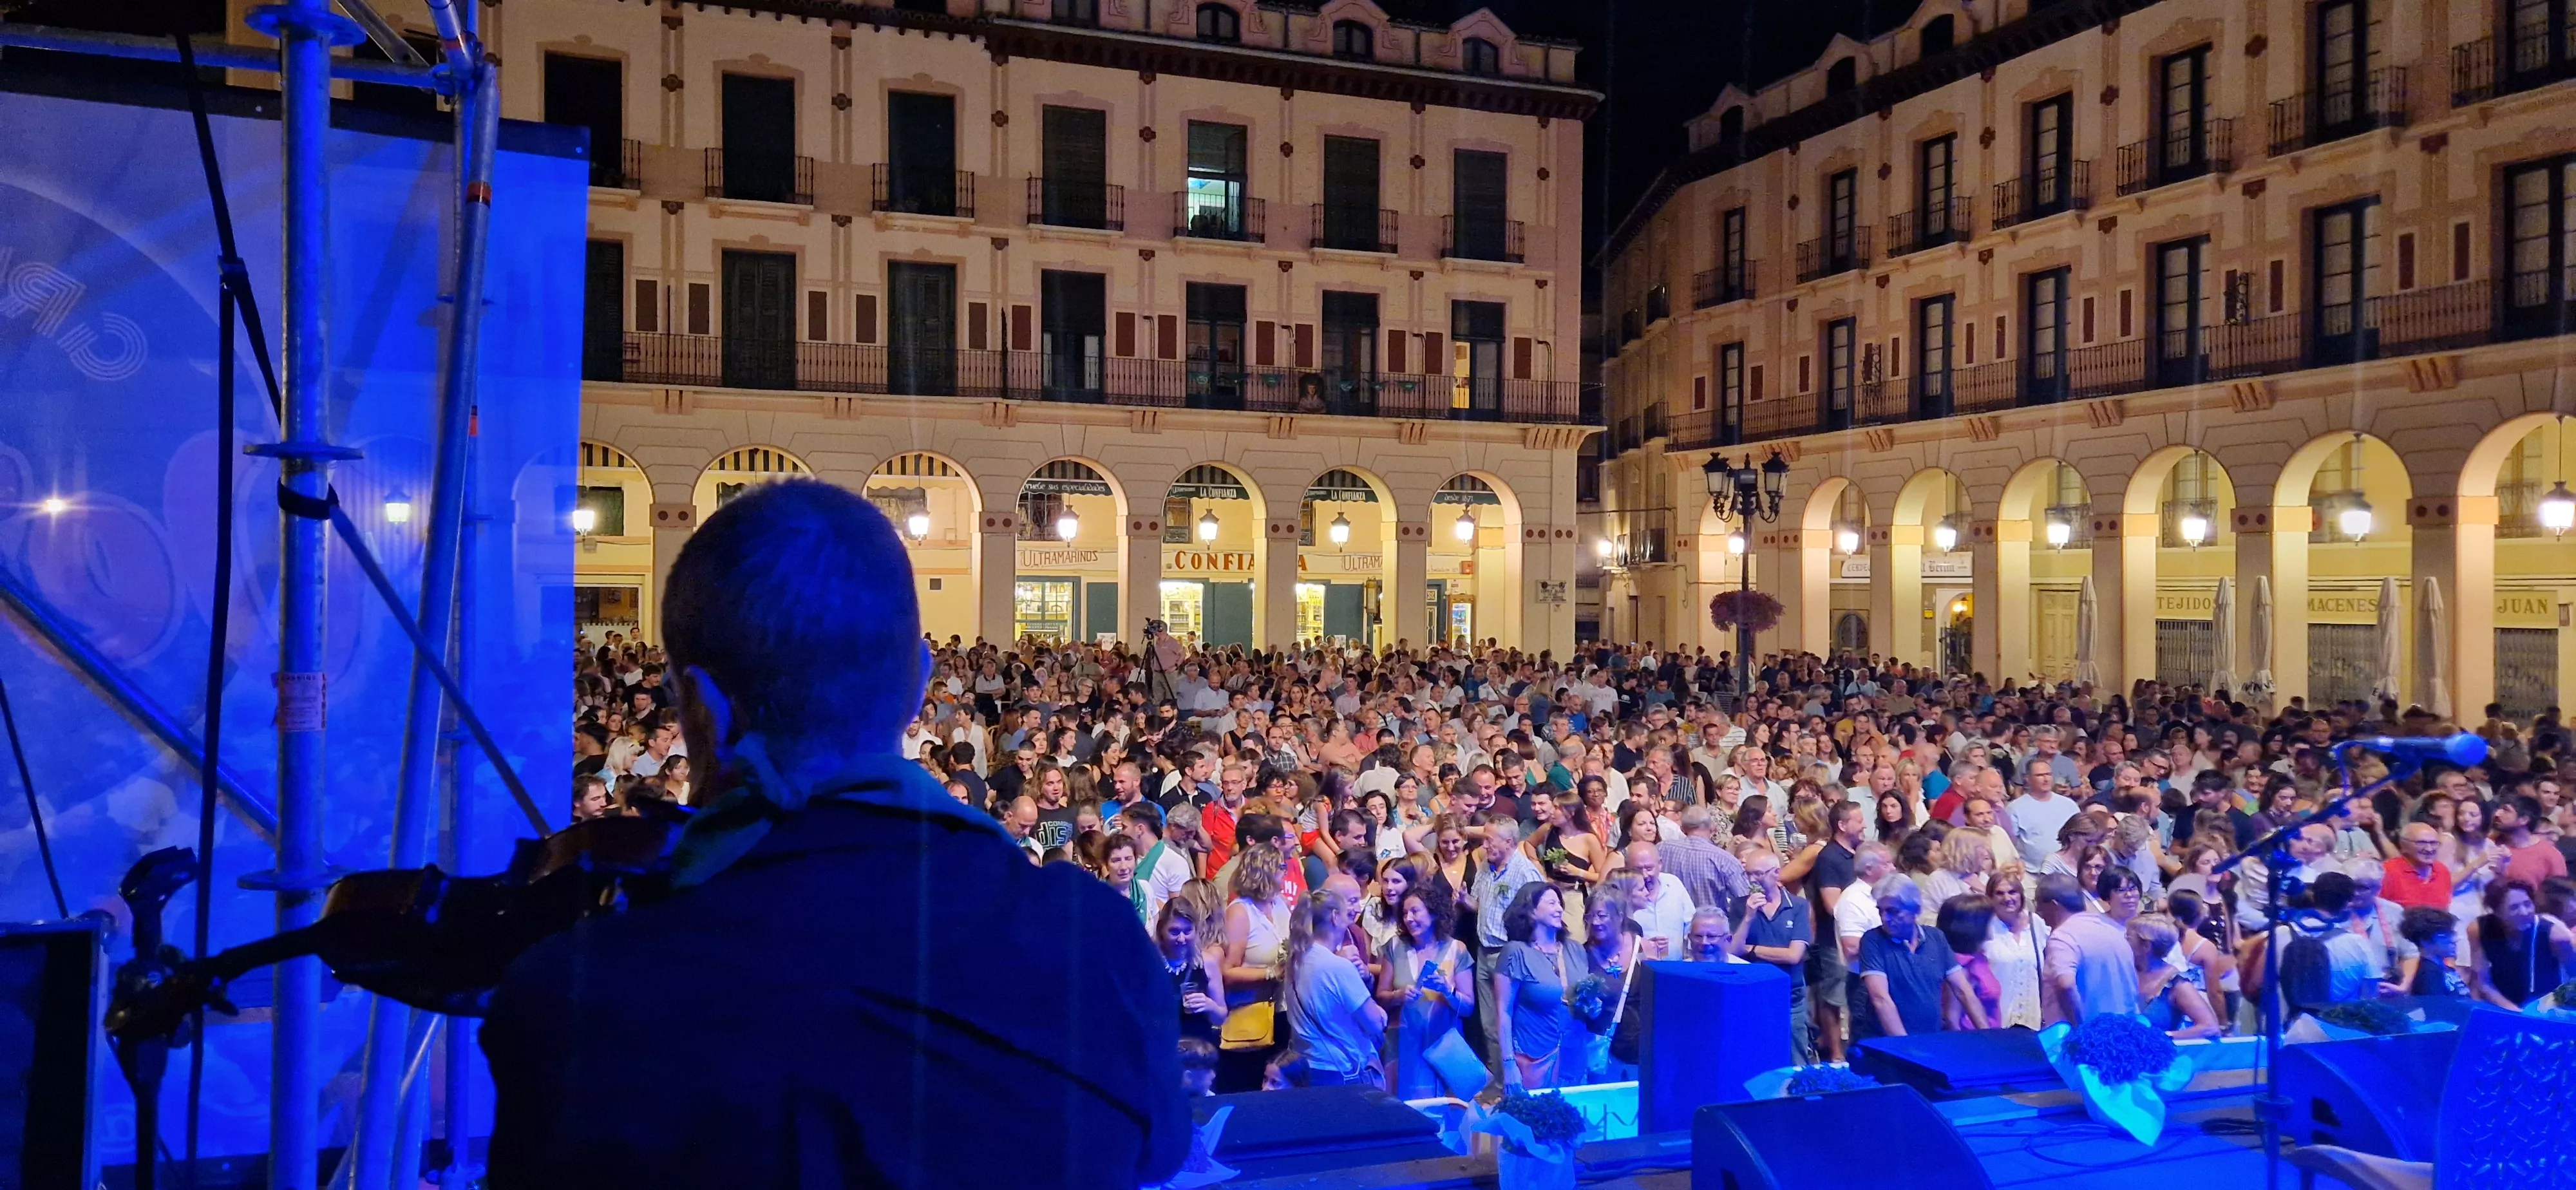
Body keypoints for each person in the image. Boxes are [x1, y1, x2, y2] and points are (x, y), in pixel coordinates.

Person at [484, 480, 1187, 1190]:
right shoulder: (1099, 948)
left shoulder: (579, 1004)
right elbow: (1156, 1157)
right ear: (918, 682)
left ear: (702, 707)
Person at [1853, 876, 1986, 1039]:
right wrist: (1905, 1048)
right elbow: (1880, 999)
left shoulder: (1936, 938)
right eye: (1881, 910)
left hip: (1930, 1040)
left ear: (1915, 910)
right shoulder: (1873, 940)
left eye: (1893, 911)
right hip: (1889, 1044)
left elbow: (1963, 990)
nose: (1885, 918)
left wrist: (1987, 1035)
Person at [1376, 881, 1474, 1099]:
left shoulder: (1457, 949)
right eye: (1405, 913)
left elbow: (1468, 1008)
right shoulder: (1394, 947)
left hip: (1442, 1049)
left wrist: (1448, 991)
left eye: (1415, 911)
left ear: (1434, 913)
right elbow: (1381, 998)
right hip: (1402, 1047)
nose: (1408, 919)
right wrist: (1398, 996)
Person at [1283, 885, 1387, 1087]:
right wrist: (1380, 1014)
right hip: (1338, 1071)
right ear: (1334, 917)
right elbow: (1374, 1023)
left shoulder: (1295, 959)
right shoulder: (1338, 966)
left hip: (1306, 1065)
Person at [1492, 882, 1589, 1091]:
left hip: (1574, 1059)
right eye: (1551, 902)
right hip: (1534, 1059)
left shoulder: (1576, 949)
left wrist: (1592, 1006)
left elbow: (1582, 1001)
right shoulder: (1515, 952)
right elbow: (1503, 1012)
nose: (1559, 908)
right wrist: (1508, 1065)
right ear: (1532, 911)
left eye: (1560, 903)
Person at [1218, 836, 1296, 1092]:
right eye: (1280, 867)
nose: (1286, 871)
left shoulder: (1280, 905)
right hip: (1250, 1019)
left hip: (1281, 1013)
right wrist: (1271, 972)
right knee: (1250, 1086)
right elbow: (1227, 971)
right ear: (1264, 871)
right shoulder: (1240, 912)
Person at [1732, 846, 1817, 1062]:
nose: (1753, 880)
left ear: (1776, 873)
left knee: (1795, 1057)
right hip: (1751, 993)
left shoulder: (1798, 906)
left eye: (1759, 874)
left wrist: (1751, 950)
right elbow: (1732, 952)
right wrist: (1749, 917)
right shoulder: (1739, 906)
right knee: (1754, 1058)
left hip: (1791, 995)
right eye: (1749, 874)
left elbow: (1793, 956)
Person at [2036, 871, 2139, 1025]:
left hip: (2087, 1041)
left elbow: (2066, 984)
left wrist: (2081, 1029)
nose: (2038, 912)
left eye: (2039, 905)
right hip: (2124, 1031)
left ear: (2054, 906)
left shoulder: (2063, 937)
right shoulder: (2113, 928)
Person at [2471, 878, 2575, 1009]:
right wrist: (2516, 1013)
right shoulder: (2479, 929)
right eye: (2514, 908)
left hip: (2545, 1010)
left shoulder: (2555, 936)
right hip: (2500, 1007)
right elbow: (2483, 982)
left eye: (2527, 904)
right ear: (2497, 912)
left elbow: (2574, 981)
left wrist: (2542, 1008)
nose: (2524, 912)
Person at [2128, 915, 2222, 1039]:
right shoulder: (2126, 971)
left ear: (2146, 947)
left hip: (2158, 1056)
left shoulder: (2177, 984)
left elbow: (2210, 1028)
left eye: (2128, 938)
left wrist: (2162, 1038)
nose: (2123, 943)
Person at [1982, 872, 2049, 1030]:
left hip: (2032, 1021)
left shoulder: (2036, 924)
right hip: (1997, 1023)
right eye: (1999, 893)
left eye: (2012, 892)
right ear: (1990, 897)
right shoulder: (1984, 927)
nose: (2007, 898)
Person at [1157, 898, 1226, 1046]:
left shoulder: (1207, 962)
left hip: (1198, 1050)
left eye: (1188, 931)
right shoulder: (1151, 963)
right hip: (1162, 1049)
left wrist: (1210, 1005)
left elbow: (1220, 1017)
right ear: (1161, 930)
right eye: (1174, 932)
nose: (1182, 939)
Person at [1936, 894, 2001, 1031]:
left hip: (1991, 1038)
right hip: (1974, 1044)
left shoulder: (1979, 958)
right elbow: (1952, 1019)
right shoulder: (1961, 965)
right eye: (1990, 921)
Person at [2397, 904, 2469, 998]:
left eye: (2452, 934)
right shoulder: (2429, 975)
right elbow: (2435, 1010)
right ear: (2425, 941)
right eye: (2444, 936)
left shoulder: (2443, 969)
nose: (2455, 939)